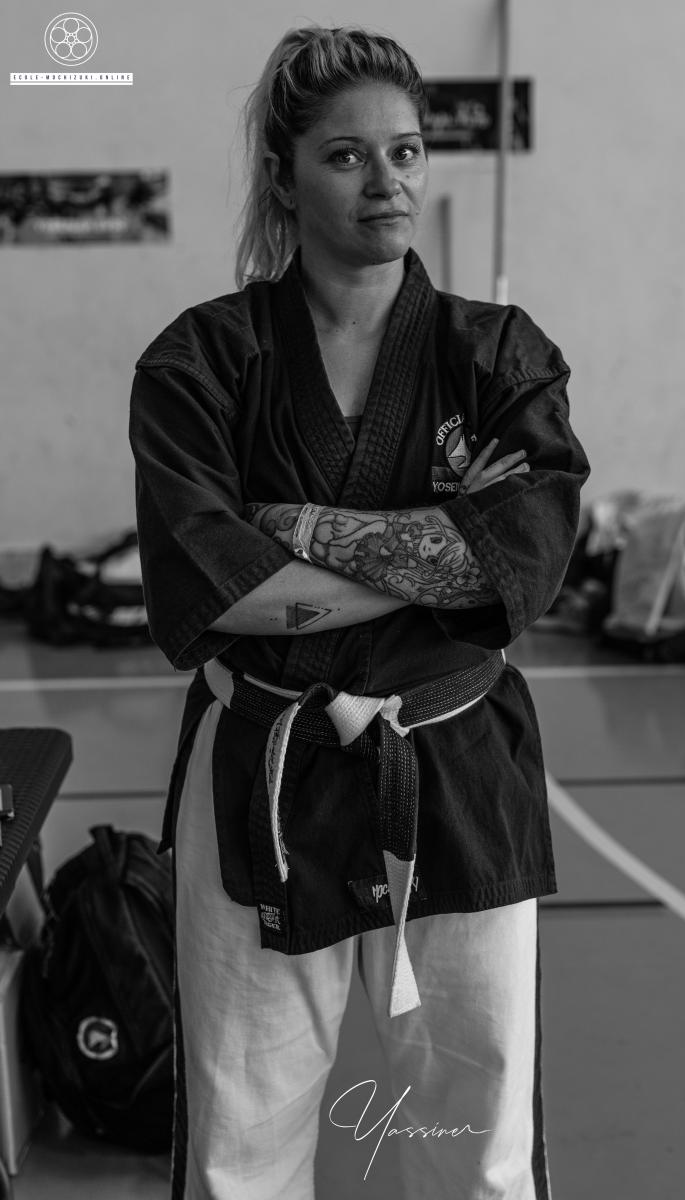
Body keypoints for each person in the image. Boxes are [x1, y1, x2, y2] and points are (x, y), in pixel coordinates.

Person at [129, 24, 589, 1200]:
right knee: (241, 1149)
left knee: (474, 1149)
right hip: (263, 776)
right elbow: (211, 588)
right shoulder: (200, 364)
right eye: (345, 155)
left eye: (406, 151)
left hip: (455, 766)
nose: (386, 181)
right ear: (283, 176)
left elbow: (522, 564)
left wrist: (286, 525)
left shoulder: (497, 357)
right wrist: (440, 545)